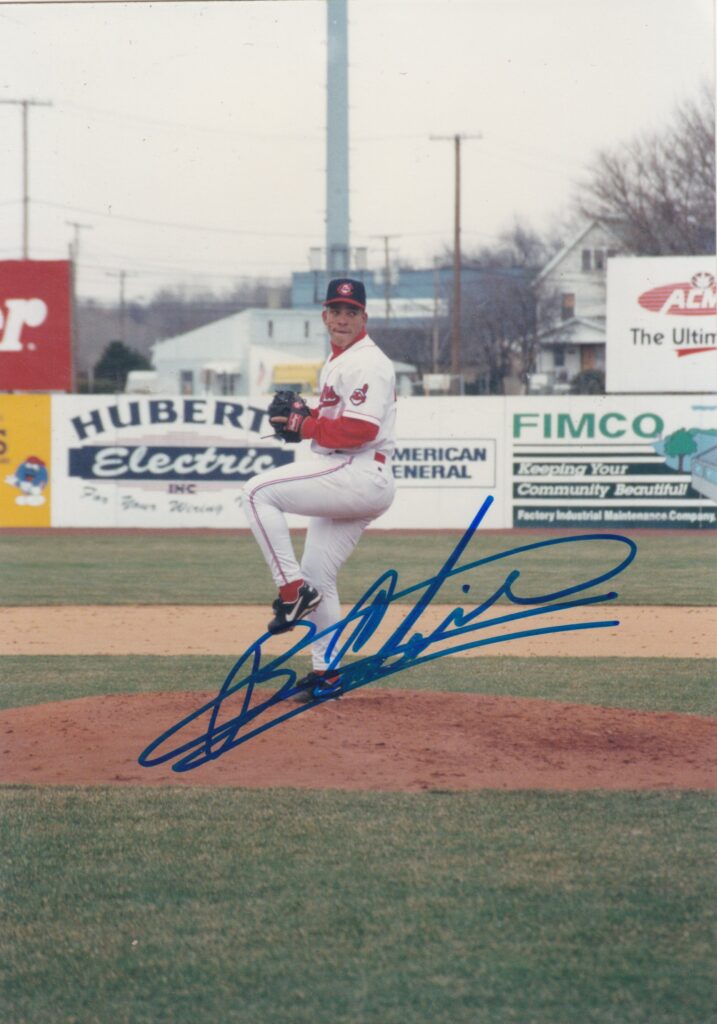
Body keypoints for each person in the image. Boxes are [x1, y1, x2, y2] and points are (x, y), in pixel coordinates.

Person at [242, 278, 397, 701]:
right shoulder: (339, 360)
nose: (342, 319)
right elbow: (334, 421)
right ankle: (327, 674)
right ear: (325, 317)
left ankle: (292, 593)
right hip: (354, 472)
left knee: (256, 494)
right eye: (336, 311)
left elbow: (361, 429)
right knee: (319, 576)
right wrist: (307, 416)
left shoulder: (367, 361)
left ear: (365, 318)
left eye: (351, 312)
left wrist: (306, 425)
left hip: (358, 470)